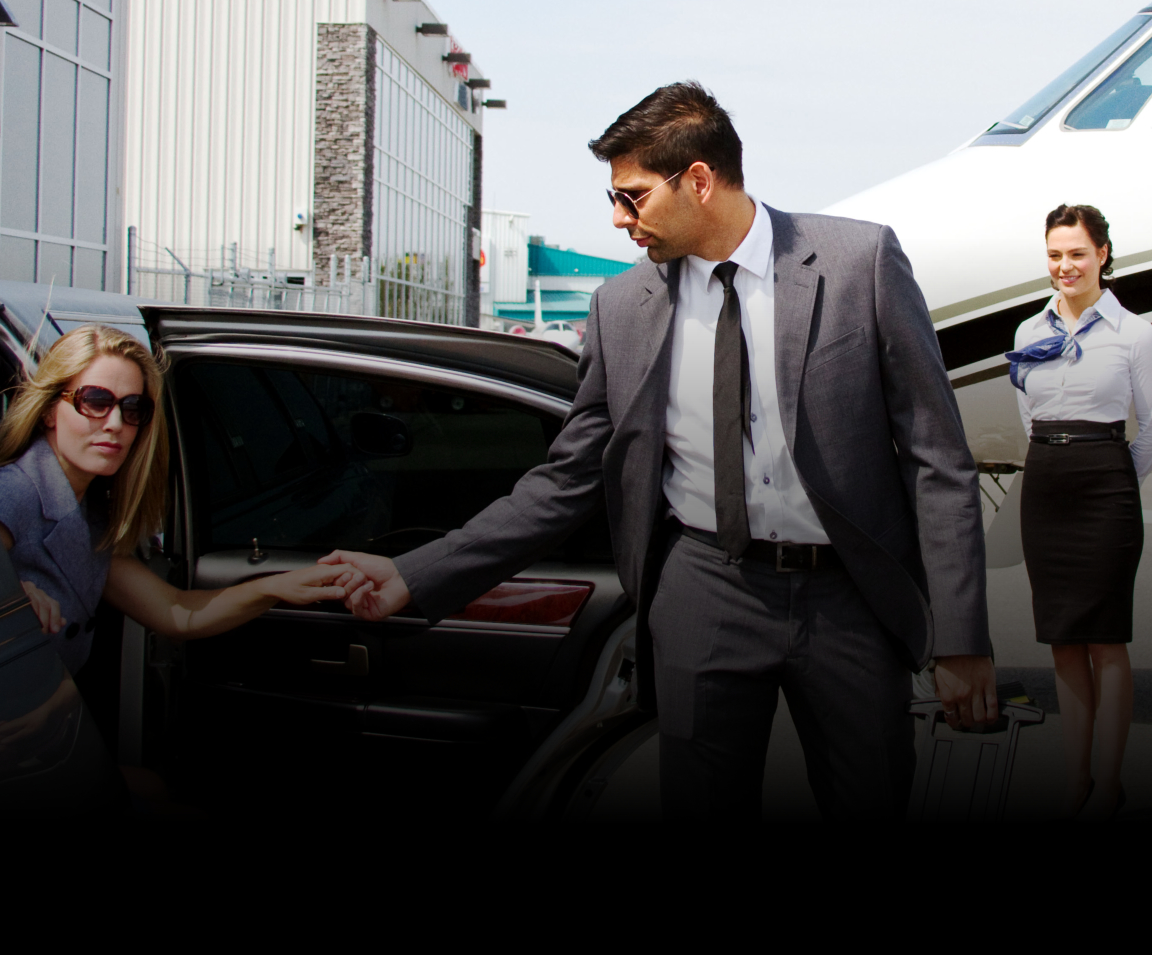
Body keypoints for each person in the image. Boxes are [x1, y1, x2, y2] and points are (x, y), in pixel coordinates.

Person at [323, 82, 995, 821]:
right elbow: (566, 480)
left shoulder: (859, 262)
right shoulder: (620, 308)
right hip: (706, 589)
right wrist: (415, 575)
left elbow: (938, 459)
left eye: (632, 196)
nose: (618, 219)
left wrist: (961, 640)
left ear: (698, 180)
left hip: (849, 597)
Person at [0, 324, 359, 769]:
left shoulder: (91, 511)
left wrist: (278, 587)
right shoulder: (14, 493)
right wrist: (4, 592)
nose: (115, 424)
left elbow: (175, 611)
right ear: (49, 410)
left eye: (133, 408)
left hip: (43, 734)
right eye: (95, 401)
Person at [1004, 204, 1152, 820]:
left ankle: (1109, 777)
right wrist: (1058, 458)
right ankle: (1074, 776)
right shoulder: (1026, 332)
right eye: (1054, 255)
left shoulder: (1134, 334)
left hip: (1105, 487)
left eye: (1076, 253)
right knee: (1063, 637)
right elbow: (1028, 415)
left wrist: (1115, 479)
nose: (1064, 266)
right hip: (1046, 482)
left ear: (1102, 254)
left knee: (1106, 637)